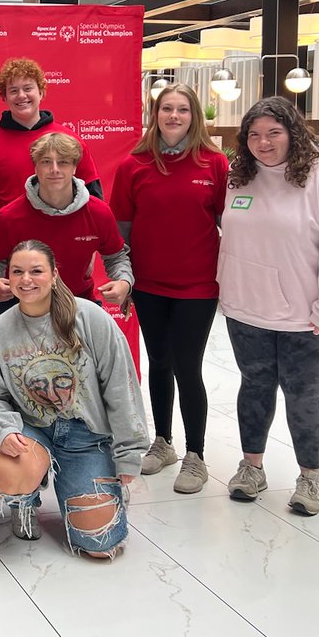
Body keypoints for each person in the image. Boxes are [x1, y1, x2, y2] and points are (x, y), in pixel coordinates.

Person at [218, 97, 319, 516]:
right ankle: (252, 468)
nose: (263, 143)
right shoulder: (240, 177)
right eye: (254, 135)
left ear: (293, 132)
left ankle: (310, 477)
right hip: (246, 309)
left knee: (302, 394)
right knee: (254, 386)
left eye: (273, 133)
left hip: (305, 316)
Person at [0, 240, 148, 558]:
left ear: (54, 275)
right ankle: (25, 501)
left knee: (99, 547)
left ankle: (100, 481)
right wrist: (3, 430)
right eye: (18, 272)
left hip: (87, 436)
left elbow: (122, 385)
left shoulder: (89, 318)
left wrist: (128, 451)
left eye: (36, 271)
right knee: (10, 473)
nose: (26, 280)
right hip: (32, 430)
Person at [110, 83, 228, 495]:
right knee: (159, 361)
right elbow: (120, 233)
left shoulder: (214, 164)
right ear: (155, 114)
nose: (174, 116)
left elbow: (230, 228)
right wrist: (124, 282)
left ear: (195, 116)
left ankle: (195, 455)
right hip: (149, 284)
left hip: (198, 284)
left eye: (182, 110)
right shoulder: (134, 165)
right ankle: (163, 442)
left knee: (187, 365)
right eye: (166, 109)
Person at [0, 132, 131, 323]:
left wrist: (124, 282)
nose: (54, 169)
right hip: (20, 304)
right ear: (35, 167)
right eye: (45, 162)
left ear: (75, 168)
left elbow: (116, 257)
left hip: (77, 302)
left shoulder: (98, 212)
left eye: (63, 162)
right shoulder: (12, 215)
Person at [0, 58, 102, 240]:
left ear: (41, 92)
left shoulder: (70, 140)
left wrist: (87, 241)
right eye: (13, 91)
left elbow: (92, 194)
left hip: (66, 242)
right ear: (4, 97)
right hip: (13, 249)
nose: (21, 96)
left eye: (28, 88)